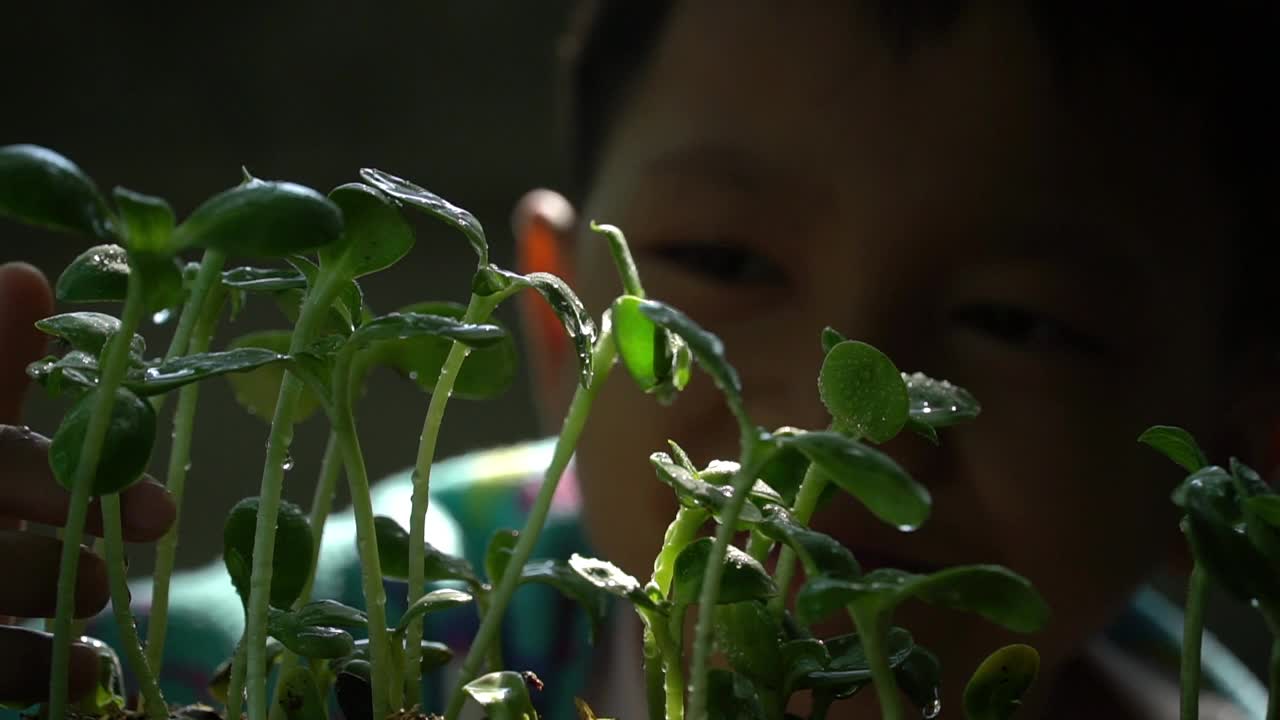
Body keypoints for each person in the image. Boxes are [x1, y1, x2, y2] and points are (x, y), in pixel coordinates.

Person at [1, 1, 1276, 717]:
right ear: (559, 325)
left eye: (1021, 322)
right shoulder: (305, 656)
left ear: (1227, 452)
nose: (830, 418)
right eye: (725, 262)